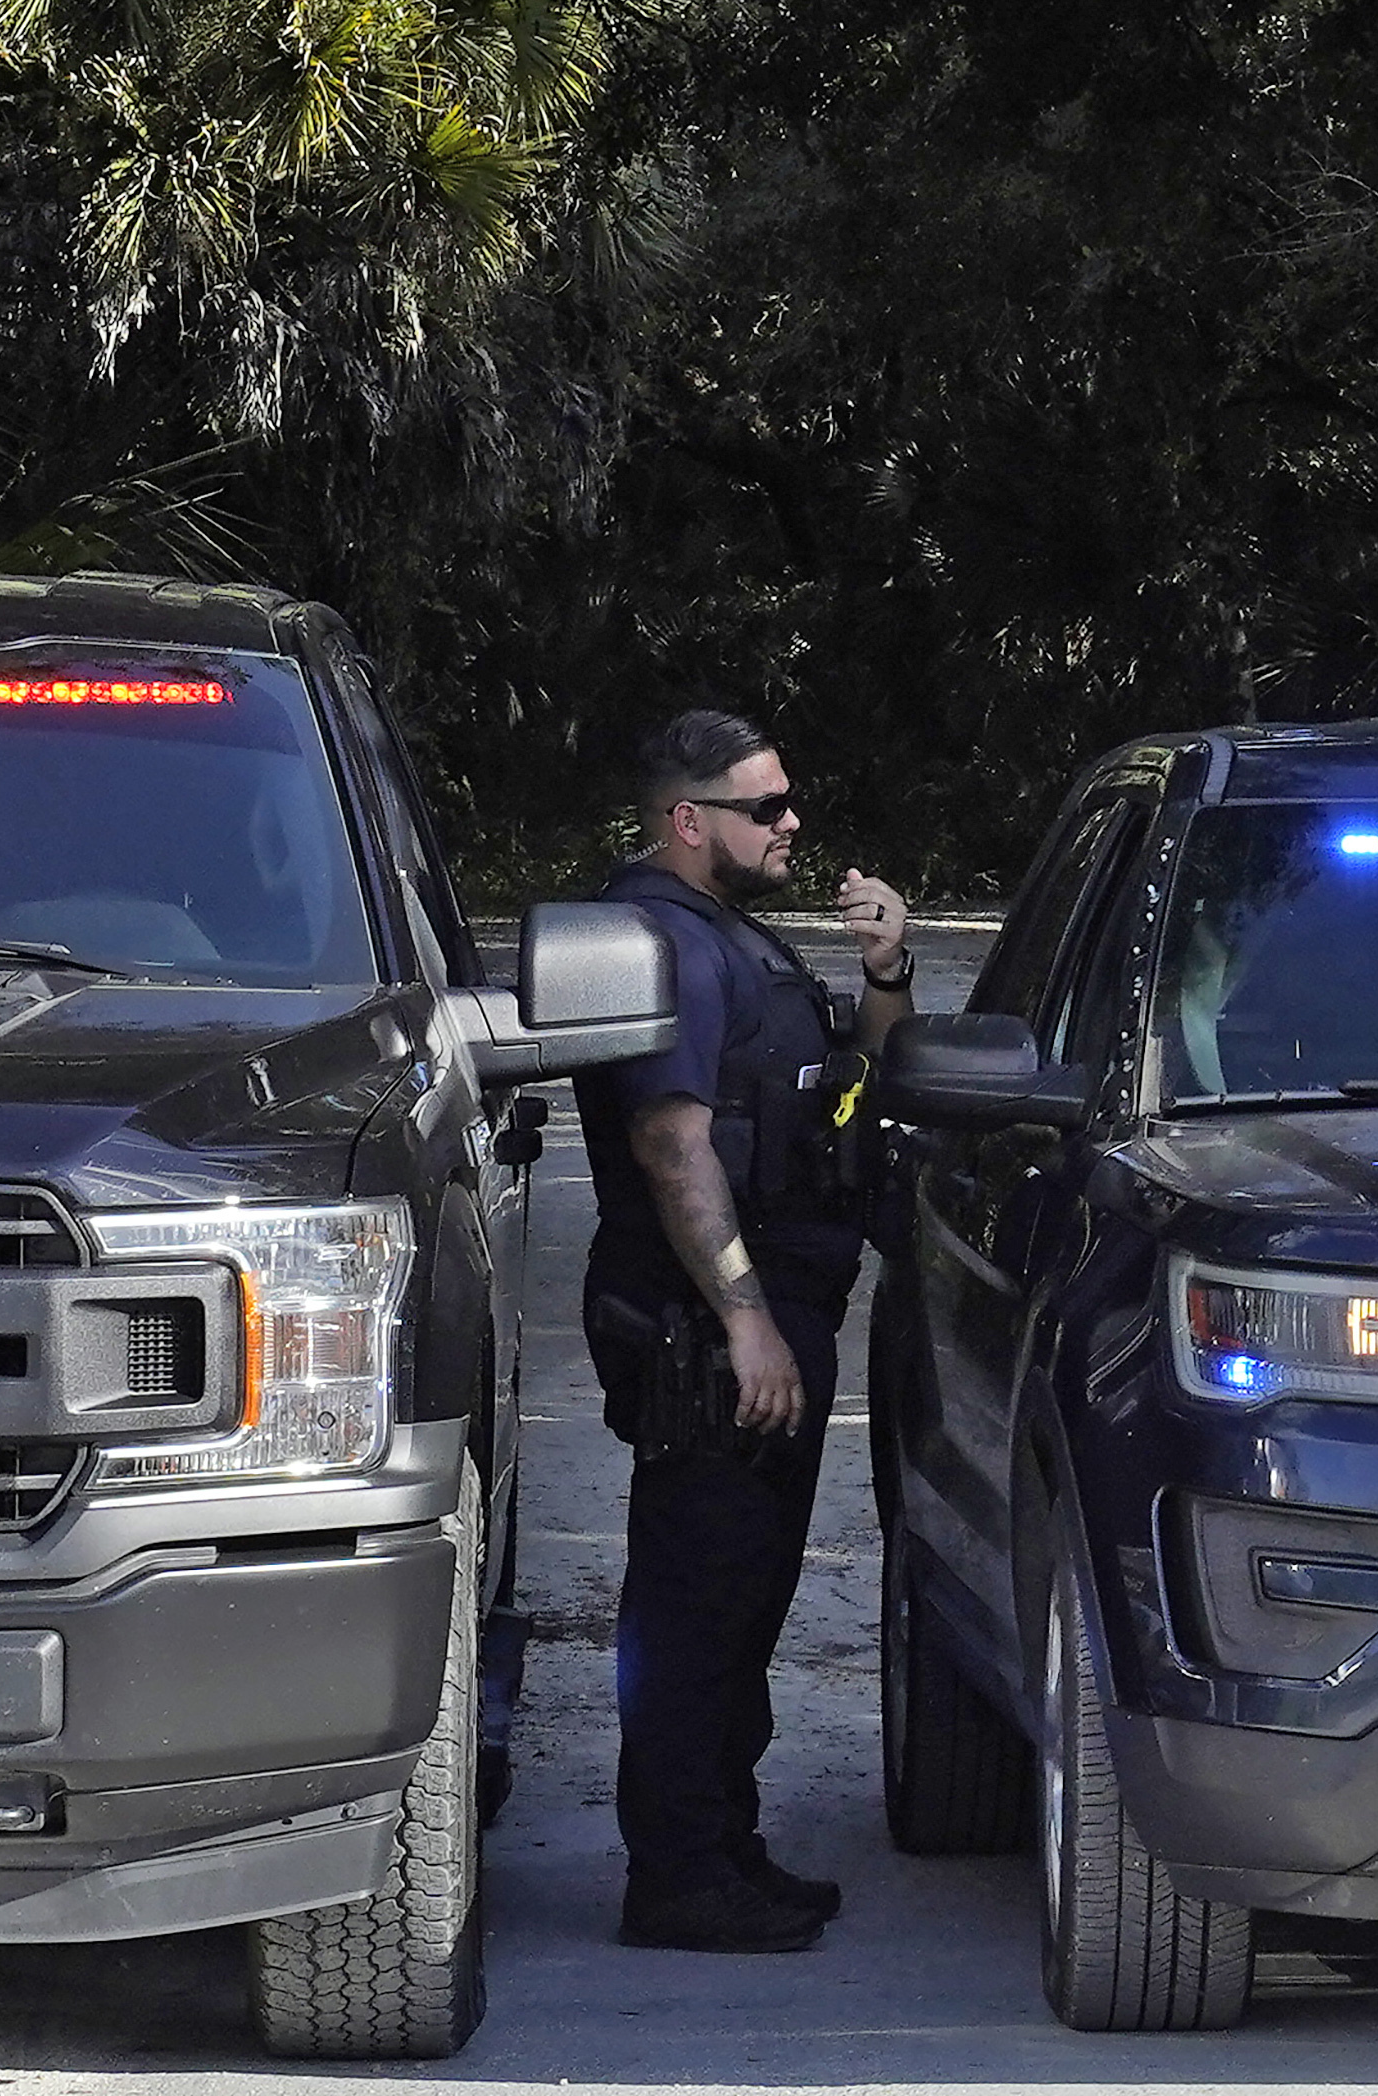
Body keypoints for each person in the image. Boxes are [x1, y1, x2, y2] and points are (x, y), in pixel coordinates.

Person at [574, 707, 915, 1953]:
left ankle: (721, 1845)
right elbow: (671, 1145)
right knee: (697, 1605)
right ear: (687, 818)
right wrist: (746, 1321)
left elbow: (863, 1096)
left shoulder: (734, 940)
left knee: (748, 1601)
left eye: (787, 799)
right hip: (709, 1340)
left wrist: (885, 978)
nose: (790, 822)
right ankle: (675, 1872)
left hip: (768, 1322)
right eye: (763, 806)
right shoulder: (659, 944)